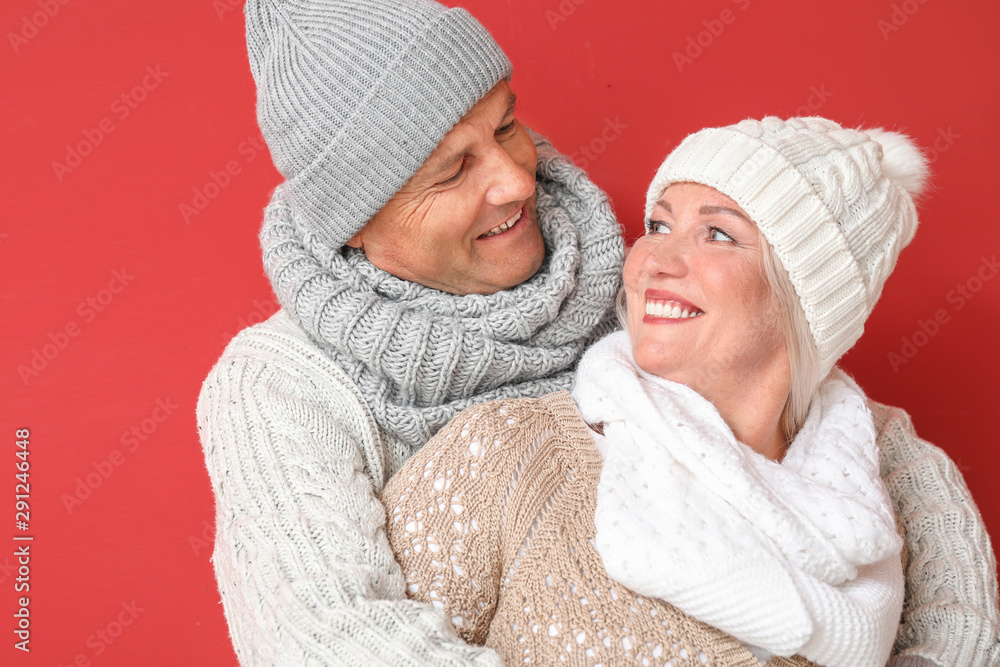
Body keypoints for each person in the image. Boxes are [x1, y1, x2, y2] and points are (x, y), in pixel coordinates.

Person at [195, 0, 997, 663]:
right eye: (451, 171)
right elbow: (329, 639)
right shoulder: (281, 386)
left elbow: (805, 411)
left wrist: (906, 485)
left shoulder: (633, 289)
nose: (515, 180)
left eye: (506, 126)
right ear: (357, 227)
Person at [380, 118, 1000, 667]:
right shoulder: (509, 453)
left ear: (807, 301)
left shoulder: (894, 491)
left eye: (718, 235)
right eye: (659, 224)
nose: (651, 260)